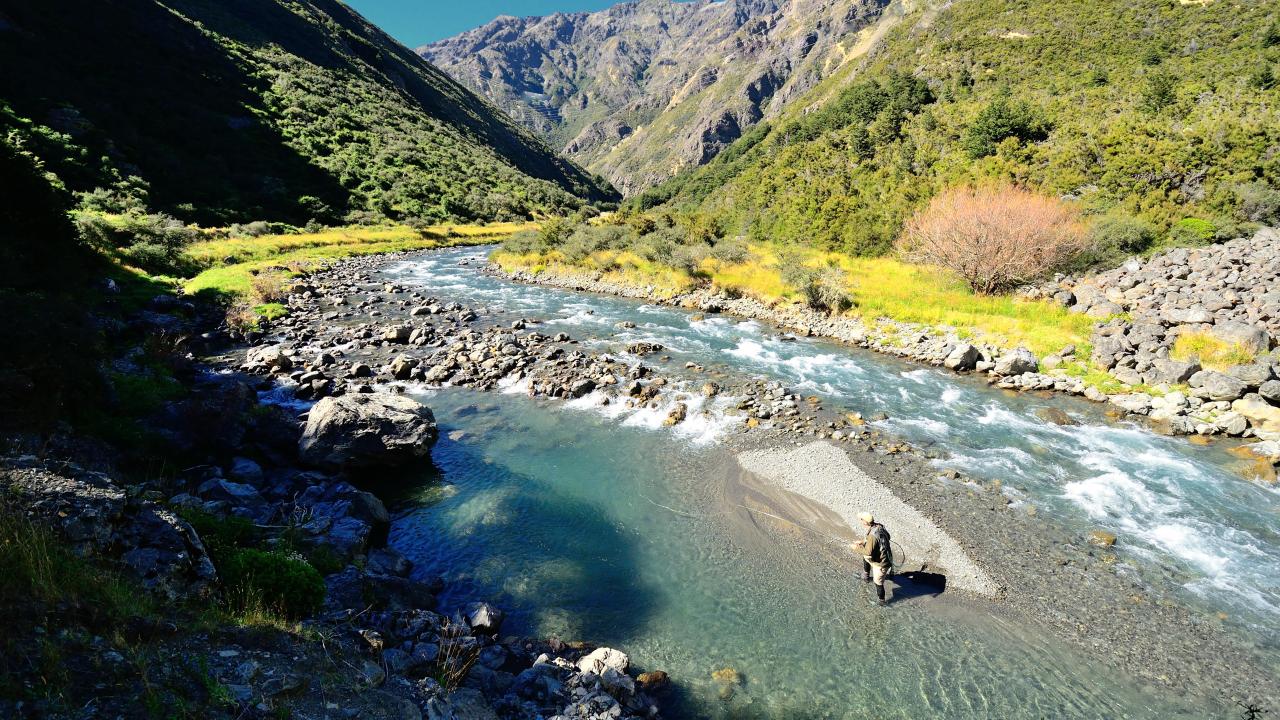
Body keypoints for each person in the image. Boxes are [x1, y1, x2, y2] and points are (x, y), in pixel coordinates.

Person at [852, 511, 893, 605]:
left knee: (878, 582)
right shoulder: (879, 526)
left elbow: (868, 552)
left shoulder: (872, 536)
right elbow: (888, 537)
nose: (860, 520)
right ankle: (865, 576)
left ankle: (881, 601)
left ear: (865, 522)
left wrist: (856, 548)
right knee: (865, 557)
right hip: (881, 557)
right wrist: (862, 542)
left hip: (881, 563)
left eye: (861, 519)